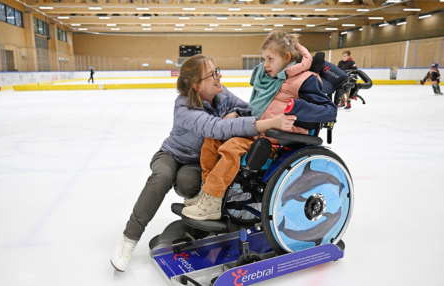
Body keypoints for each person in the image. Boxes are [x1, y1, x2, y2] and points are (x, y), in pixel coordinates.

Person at [110, 54, 294, 273]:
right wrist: (267, 123)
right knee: (161, 178)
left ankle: (203, 215)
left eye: (217, 70)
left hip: (196, 162)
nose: (220, 76)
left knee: (188, 182)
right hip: (172, 155)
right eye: (213, 74)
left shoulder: (222, 94)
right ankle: (129, 239)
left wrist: (235, 113)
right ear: (197, 86)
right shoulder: (183, 108)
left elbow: (248, 108)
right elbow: (216, 128)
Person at [181, 32, 337, 221]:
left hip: (278, 142)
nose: (265, 64)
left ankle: (213, 200)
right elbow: (259, 111)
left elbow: (329, 111)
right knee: (213, 139)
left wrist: (296, 107)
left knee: (232, 147)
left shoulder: (305, 80)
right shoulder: (273, 80)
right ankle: (208, 193)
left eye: (270, 59)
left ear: (286, 58)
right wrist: (239, 114)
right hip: (260, 135)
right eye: (264, 59)